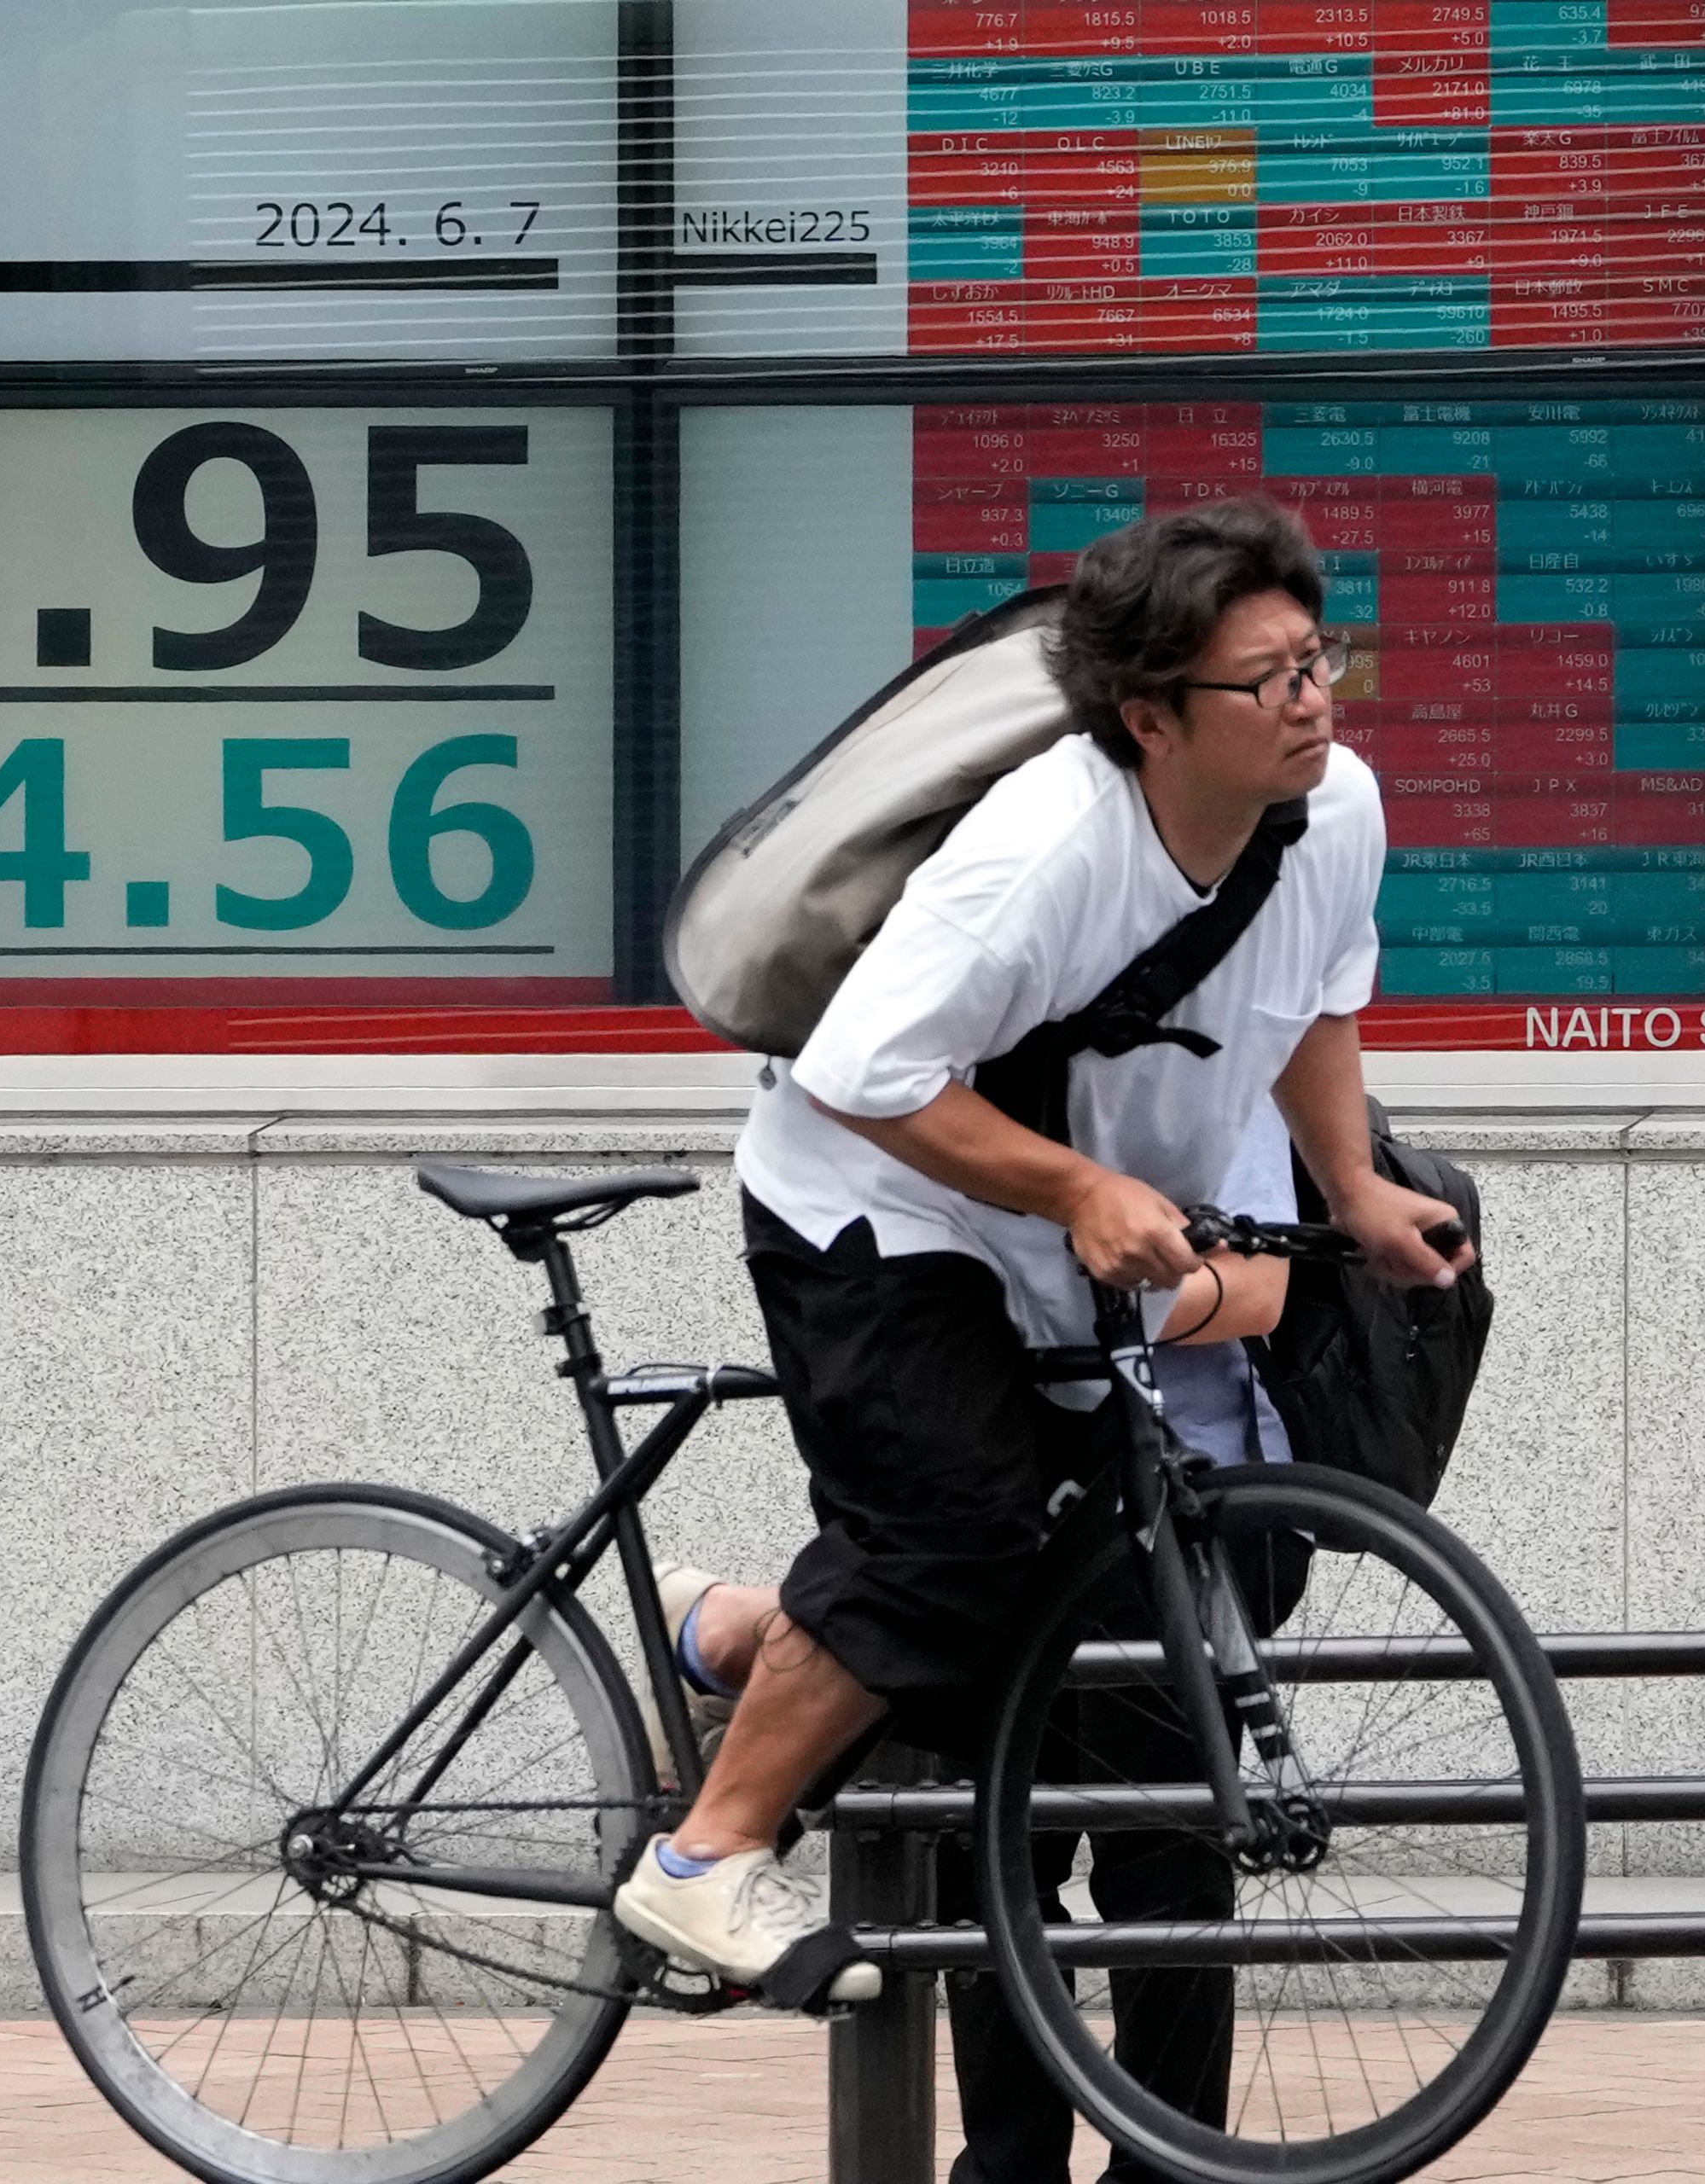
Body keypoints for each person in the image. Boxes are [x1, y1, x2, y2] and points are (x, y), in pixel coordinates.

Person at [612, 496, 1469, 2015]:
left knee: (1033, 1589)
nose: (1312, 698)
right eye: (1266, 678)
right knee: (951, 1534)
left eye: (1318, 658)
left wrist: (1353, 1185)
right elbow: (857, 1076)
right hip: (877, 1198)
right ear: (1150, 716)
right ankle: (702, 1862)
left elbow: (1319, 997)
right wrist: (1079, 1187)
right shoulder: (1044, 849)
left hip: (1070, 1230)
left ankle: (740, 1631)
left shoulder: (1336, 810)